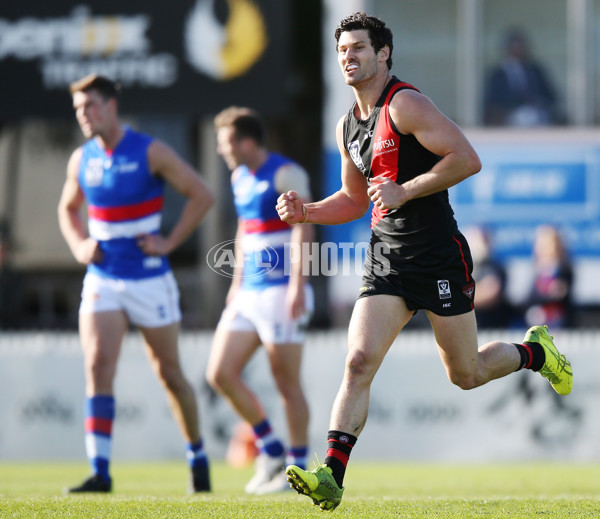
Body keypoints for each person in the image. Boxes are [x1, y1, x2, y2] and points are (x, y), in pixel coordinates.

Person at [276, 12, 573, 511]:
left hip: (436, 255)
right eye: (343, 50)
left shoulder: (405, 104)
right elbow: (353, 200)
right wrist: (306, 212)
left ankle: (536, 353)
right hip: (386, 258)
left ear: (383, 53)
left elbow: (466, 157)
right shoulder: (347, 124)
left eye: (359, 49)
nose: (349, 57)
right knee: (358, 361)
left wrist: (404, 190)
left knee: (467, 373)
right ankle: (331, 475)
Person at [57, 74, 215, 493]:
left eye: (90, 105)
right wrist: (78, 245)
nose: (84, 115)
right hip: (103, 278)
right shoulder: (82, 159)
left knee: (169, 373)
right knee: (97, 365)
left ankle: (197, 456)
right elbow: (67, 209)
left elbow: (202, 194)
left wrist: (169, 241)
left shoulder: (150, 150)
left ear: (110, 106)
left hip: (149, 280)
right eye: (78, 108)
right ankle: (100, 471)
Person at [206, 107, 313, 495]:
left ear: (246, 142)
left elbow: (304, 228)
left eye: (225, 142)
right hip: (248, 293)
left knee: (286, 382)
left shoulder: (287, 173)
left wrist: (298, 285)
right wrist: (235, 284)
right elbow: (244, 231)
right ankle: (270, 450)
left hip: (280, 290)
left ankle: (298, 468)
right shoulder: (238, 177)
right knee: (219, 373)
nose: (222, 150)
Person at [483, 28, 558, 127]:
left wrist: (539, 102)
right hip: (508, 116)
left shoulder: (535, 70)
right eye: (514, 47)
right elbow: (493, 100)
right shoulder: (498, 74)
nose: (517, 50)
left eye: (519, 46)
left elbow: (550, 95)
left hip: (536, 115)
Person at [524, 225, 574, 329]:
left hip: (557, 324)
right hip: (537, 324)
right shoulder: (538, 270)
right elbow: (531, 297)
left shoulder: (563, 270)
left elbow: (560, 295)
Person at [463, 226, 511, 329]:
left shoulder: (495, 266)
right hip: (468, 326)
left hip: (491, 327)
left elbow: (490, 293)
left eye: (484, 240)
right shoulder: (463, 267)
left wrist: (461, 296)